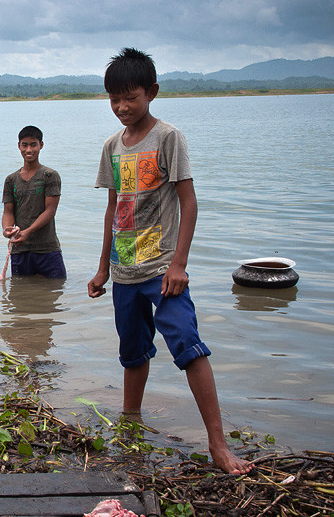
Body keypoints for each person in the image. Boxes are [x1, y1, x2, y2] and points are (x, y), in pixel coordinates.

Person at [87, 48, 252, 475]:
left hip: (162, 269)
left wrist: (179, 263)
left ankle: (218, 444)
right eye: (114, 99)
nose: (122, 108)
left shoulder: (168, 137)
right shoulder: (111, 146)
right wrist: (103, 267)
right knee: (132, 352)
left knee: (187, 344)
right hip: (124, 272)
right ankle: (131, 423)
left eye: (131, 98)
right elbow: (112, 209)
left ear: (152, 93)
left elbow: (188, 201)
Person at [1, 125, 66, 278]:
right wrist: (7, 229)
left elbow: (50, 211)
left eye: (33, 145)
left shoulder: (50, 176)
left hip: (47, 249)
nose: (28, 150)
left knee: (54, 293)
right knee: (20, 296)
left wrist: (28, 232)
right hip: (20, 250)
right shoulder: (11, 180)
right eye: (24, 145)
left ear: (41, 145)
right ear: (19, 146)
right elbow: (8, 211)